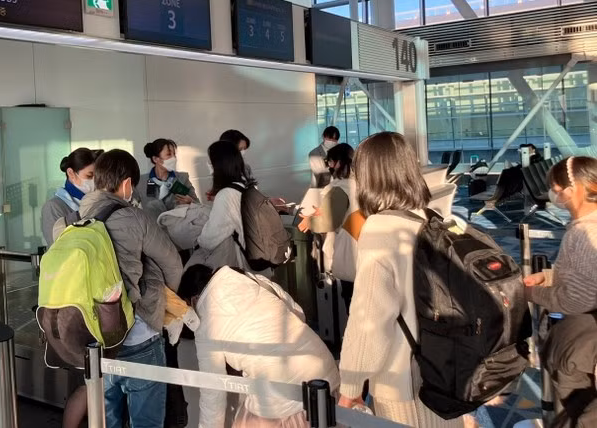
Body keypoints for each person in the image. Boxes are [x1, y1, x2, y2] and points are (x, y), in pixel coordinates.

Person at [337, 132, 461, 427]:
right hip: (451, 368)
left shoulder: (380, 228)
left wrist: (352, 385)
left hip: (404, 378)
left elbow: (369, 317)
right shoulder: (436, 217)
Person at [78, 149, 183, 428]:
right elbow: (173, 265)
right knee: (146, 420)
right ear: (126, 184)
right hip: (138, 334)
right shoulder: (135, 218)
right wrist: (161, 301)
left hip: (95, 338)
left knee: (106, 418)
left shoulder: (76, 216)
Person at [178, 264, 340, 428]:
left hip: (284, 399)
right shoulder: (250, 279)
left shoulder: (204, 326)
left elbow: (213, 394)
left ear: (193, 300)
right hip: (325, 373)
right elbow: (298, 313)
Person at [524, 156, 597, 314]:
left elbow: (578, 300)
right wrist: (550, 278)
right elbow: (588, 274)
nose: (552, 194)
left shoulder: (582, 234)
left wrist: (530, 293)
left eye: (554, 189)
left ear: (571, 191)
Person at [298, 143, 359, 312]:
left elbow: (328, 222)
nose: (329, 166)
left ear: (338, 163)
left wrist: (309, 222)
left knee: (351, 305)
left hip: (348, 253)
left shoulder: (341, 187)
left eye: (330, 162)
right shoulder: (359, 184)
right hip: (361, 249)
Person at [195, 141, 248, 271]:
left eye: (210, 161)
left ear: (219, 165)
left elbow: (210, 239)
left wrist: (197, 239)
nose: (208, 165)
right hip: (257, 260)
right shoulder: (244, 186)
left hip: (242, 265)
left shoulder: (226, 195)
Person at [41, 148, 102, 246]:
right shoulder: (54, 207)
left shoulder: (97, 202)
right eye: (89, 176)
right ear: (71, 173)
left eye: (97, 177)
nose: (94, 182)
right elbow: (57, 247)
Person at [137, 138, 198, 220]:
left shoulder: (182, 178)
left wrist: (191, 202)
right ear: (155, 159)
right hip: (153, 230)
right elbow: (132, 208)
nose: (174, 158)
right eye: (169, 154)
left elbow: (198, 205)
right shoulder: (141, 181)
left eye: (174, 155)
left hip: (179, 229)